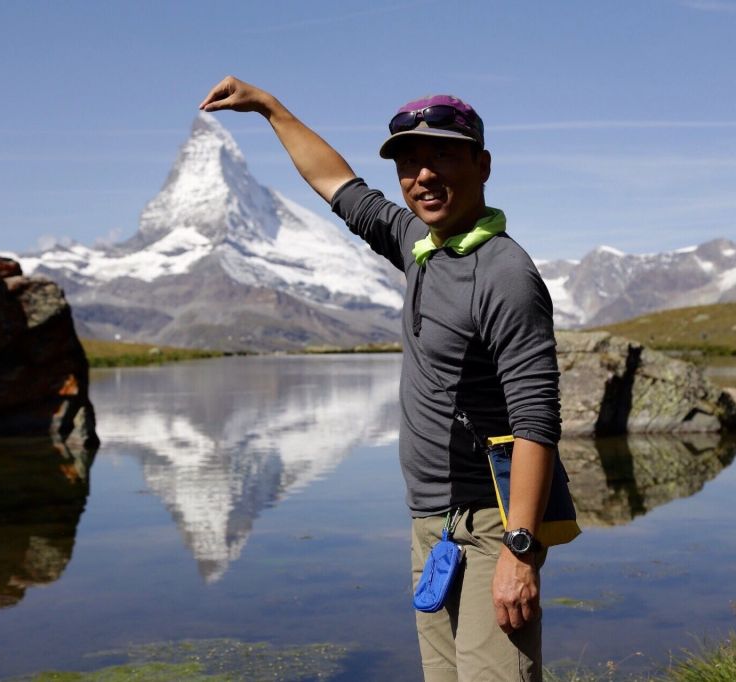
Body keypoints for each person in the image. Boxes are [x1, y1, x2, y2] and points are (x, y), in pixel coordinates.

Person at [199, 76, 562, 682]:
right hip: (433, 526)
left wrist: (519, 552)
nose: (423, 175)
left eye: (442, 154)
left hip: (491, 528)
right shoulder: (419, 243)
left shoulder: (504, 274)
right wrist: (269, 108)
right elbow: (339, 186)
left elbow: (537, 420)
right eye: (409, 162)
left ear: (483, 164)